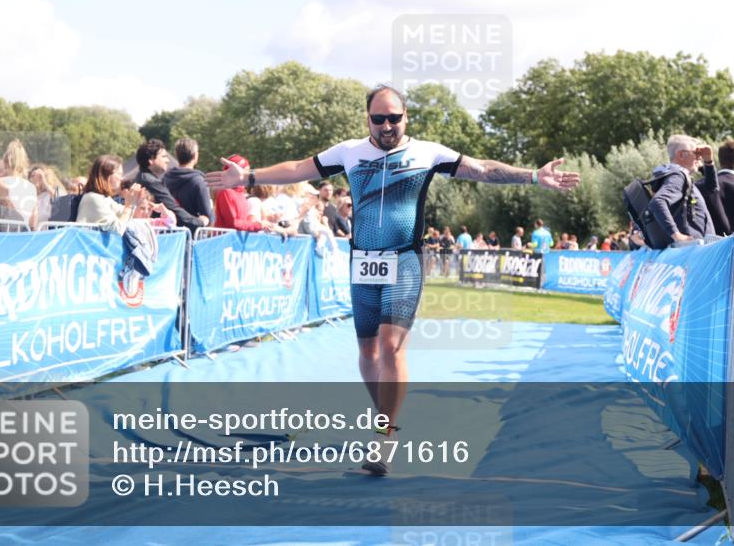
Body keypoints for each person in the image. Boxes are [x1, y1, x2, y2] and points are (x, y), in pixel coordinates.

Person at [206, 84, 580, 475]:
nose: (387, 125)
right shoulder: (350, 152)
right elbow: (299, 168)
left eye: (394, 118)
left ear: (406, 117)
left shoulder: (427, 152)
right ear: (367, 118)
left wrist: (534, 176)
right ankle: (386, 417)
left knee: (390, 346)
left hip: (404, 260)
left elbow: (482, 169)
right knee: (368, 353)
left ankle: (384, 435)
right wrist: (246, 178)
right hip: (363, 262)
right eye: (378, 118)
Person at [648, 134, 715, 244]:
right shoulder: (678, 176)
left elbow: (710, 188)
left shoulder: (678, 176)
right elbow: (658, 202)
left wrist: (708, 162)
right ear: (680, 154)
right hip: (691, 251)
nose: (699, 157)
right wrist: (677, 235)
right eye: (695, 153)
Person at [135, 139, 209, 233]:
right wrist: (199, 222)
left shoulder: (145, 178)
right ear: (151, 160)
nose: (167, 160)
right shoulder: (150, 181)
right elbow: (173, 209)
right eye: (163, 156)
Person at [76, 155, 144, 234]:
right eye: (119, 174)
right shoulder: (93, 199)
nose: (121, 179)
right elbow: (117, 231)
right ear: (107, 175)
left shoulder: (104, 198)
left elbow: (122, 213)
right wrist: (129, 206)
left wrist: (135, 202)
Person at [0, 139, 39, 229]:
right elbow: (33, 222)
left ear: (5, 162)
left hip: (3, 236)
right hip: (24, 236)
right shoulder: (32, 187)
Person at [164, 137, 214, 227]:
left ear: (176, 155)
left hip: (168, 234)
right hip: (193, 235)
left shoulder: (164, 179)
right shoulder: (199, 182)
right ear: (195, 155)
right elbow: (207, 216)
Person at [213, 154, 268, 232]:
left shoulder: (241, 192)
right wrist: (258, 225)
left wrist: (259, 222)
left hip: (236, 241)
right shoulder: (226, 192)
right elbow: (233, 223)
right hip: (225, 242)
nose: (248, 175)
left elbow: (243, 221)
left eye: (248, 171)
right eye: (245, 171)